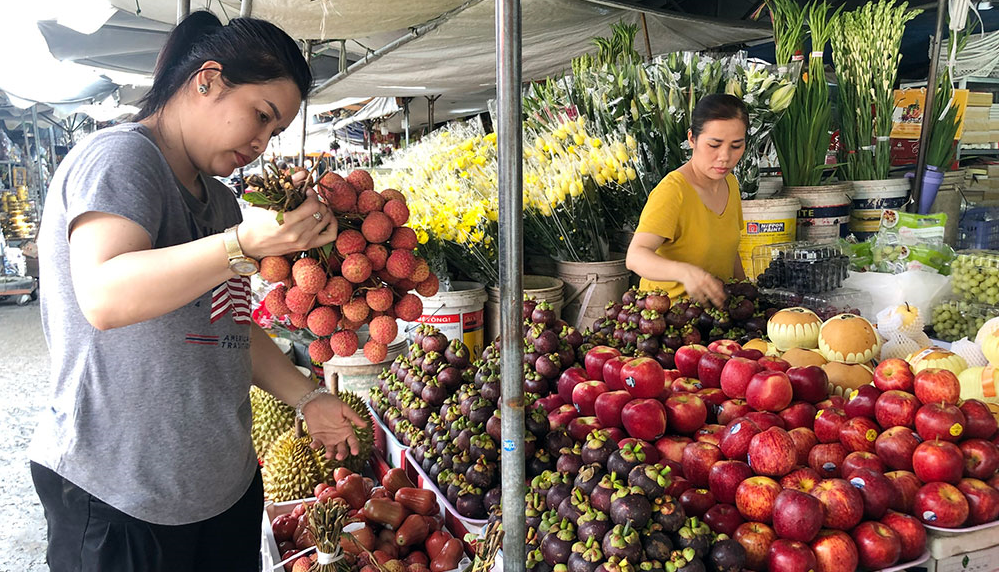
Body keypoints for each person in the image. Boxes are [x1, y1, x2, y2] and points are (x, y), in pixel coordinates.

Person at [29, 12, 365, 571]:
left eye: (274, 132)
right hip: (123, 494)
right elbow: (105, 296)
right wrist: (240, 244)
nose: (261, 142)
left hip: (222, 489)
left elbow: (227, 326)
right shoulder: (121, 157)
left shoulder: (222, 202)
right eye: (261, 116)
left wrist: (309, 398)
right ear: (207, 80)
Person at [626, 94, 748, 309]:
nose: (725, 157)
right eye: (714, 145)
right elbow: (635, 256)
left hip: (714, 316)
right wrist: (685, 272)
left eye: (736, 146)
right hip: (668, 318)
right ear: (692, 139)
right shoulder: (674, 191)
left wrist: (745, 295)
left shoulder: (730, 183)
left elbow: (730, 253)